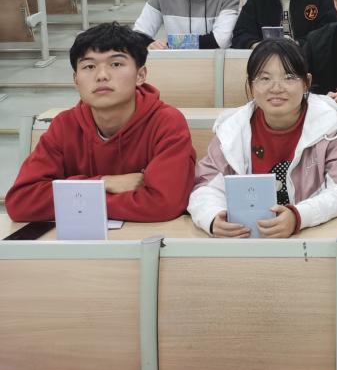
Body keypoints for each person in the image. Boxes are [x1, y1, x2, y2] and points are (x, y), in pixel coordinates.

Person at [5, 23, 195, 223]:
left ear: (140, 75)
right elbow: (22, 201)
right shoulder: (64, 125)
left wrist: (75, 197)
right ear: (76, 80)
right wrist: (103, 183)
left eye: (116, 64)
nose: (102, 75)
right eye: (89, 66)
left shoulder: (166, 122)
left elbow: (164, 203)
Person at [188, 38, 337, 237]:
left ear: (306, 83)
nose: (276, 88)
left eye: (289, 77)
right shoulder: (232, 130)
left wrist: (298, 216)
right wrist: (212, 217)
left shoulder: (333, 127)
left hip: (313, 237)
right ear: (251, 85)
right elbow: (205, 186)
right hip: (248, 239)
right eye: (265, 79)